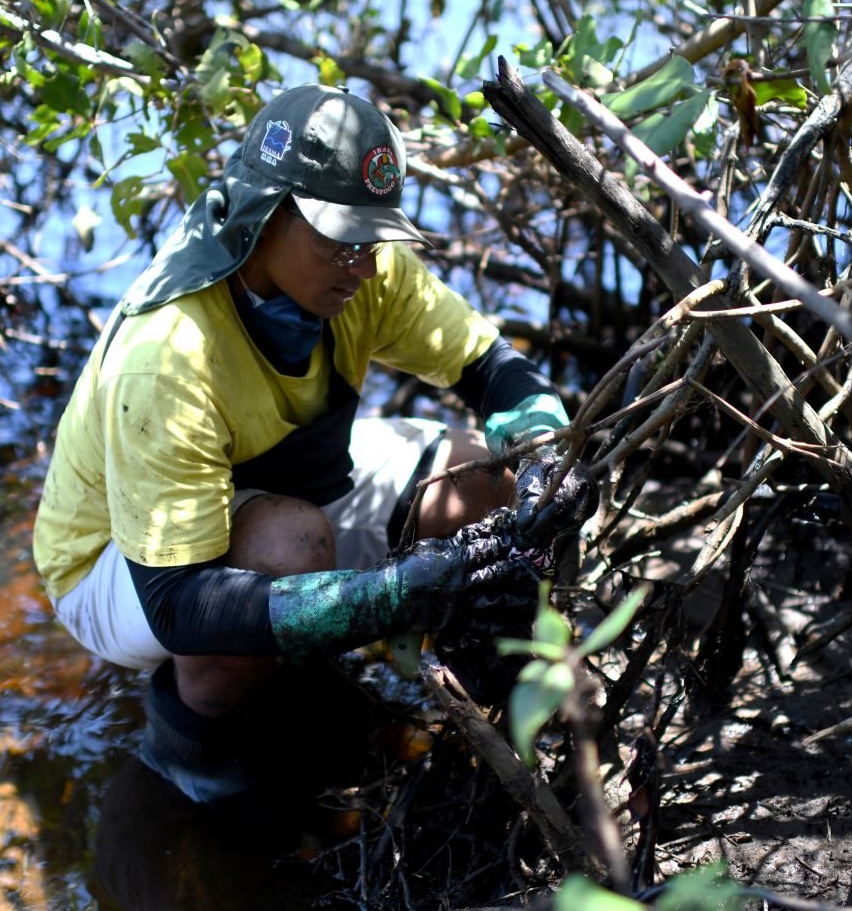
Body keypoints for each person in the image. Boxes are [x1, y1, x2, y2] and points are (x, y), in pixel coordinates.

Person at [33, 84, 593, 804]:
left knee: (481, 479)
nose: (362, 267)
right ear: (266, 212)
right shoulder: (169, 353)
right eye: (340, 240)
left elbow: (487, 365)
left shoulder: (363, 269)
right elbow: (177, 602)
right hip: (121, 565)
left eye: (370, 239)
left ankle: (484, 709)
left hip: (272, 489)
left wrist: (549, 451)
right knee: (290, 549)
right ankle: (192, 757)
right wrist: (387, 596)